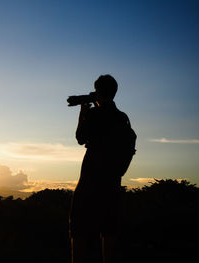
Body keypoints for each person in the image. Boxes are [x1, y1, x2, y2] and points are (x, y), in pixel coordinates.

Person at [69, 75, 136, 263]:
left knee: (79, 230)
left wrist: (83, 112)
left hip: (90, 180)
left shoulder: (93, 115)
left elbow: (80, 137)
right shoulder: (122, 118)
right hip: (112, 182)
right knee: (109, 231)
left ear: (98, 91)